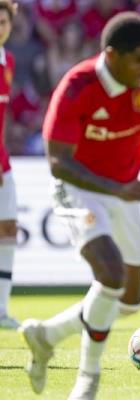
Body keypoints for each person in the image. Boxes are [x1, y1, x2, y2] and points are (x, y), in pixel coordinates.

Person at [18, 12, 140, 400]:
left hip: (123, 189)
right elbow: (58, 162)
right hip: (78, 188)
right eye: (137, 60)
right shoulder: (77, 86)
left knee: (130, 303)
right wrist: (116, 189)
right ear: (111, 55)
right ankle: (88, 378)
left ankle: (45, 335)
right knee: (110, 274)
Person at [0, 0, 18, 330]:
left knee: (8, 231)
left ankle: (1, 310)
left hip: (3, 161)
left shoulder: (8, 61)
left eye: (3, 22)